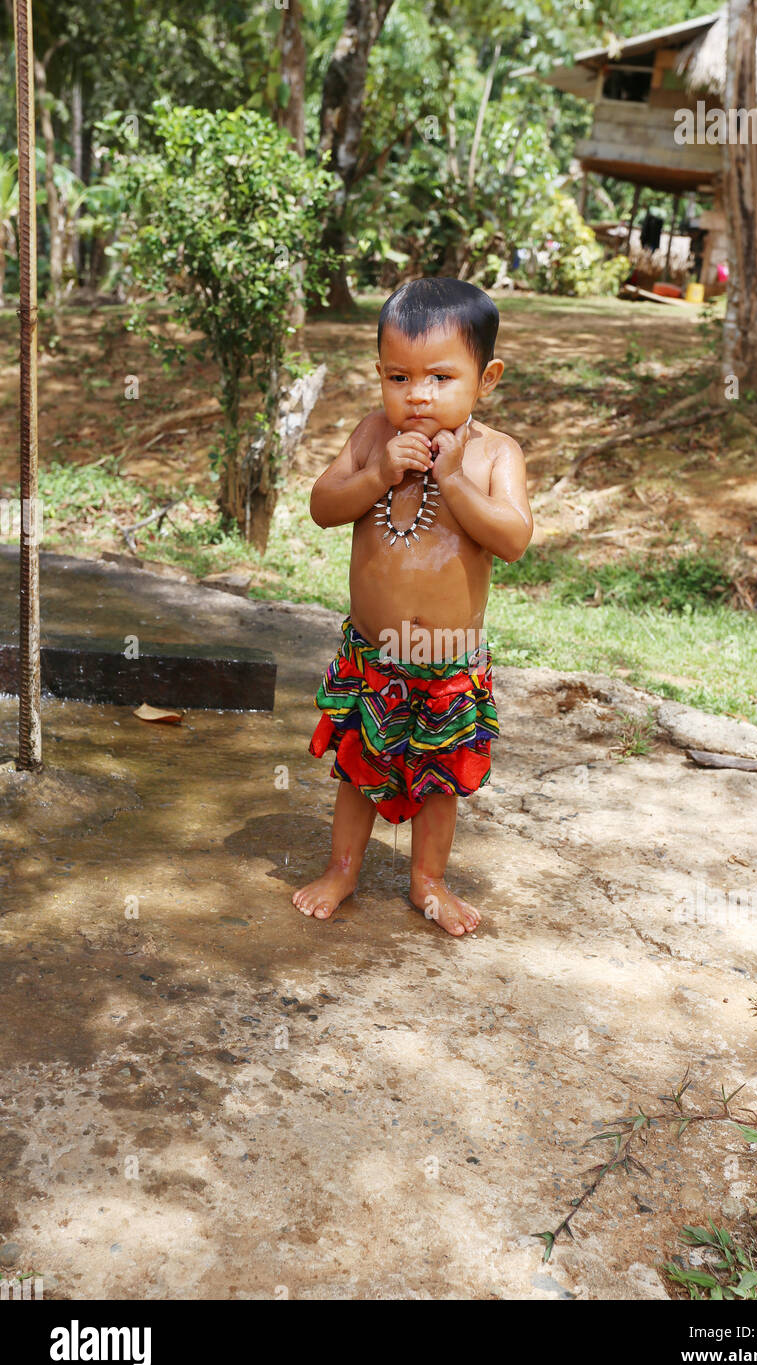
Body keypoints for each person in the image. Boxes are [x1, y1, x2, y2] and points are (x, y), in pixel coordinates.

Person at [292, 277, 532, 936]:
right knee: (358, 769)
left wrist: (452, 481)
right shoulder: (374, 436)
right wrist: (376, 476)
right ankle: (343, 869)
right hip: (374, 658)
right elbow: (321, 506)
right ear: (379, 376)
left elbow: (512, 539)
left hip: (446, 665)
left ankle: (427, 882)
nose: (417, 394)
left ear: (486, 379)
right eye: (398, 377)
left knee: (439, 783)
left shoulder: (493, 454)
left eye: (440, 377)